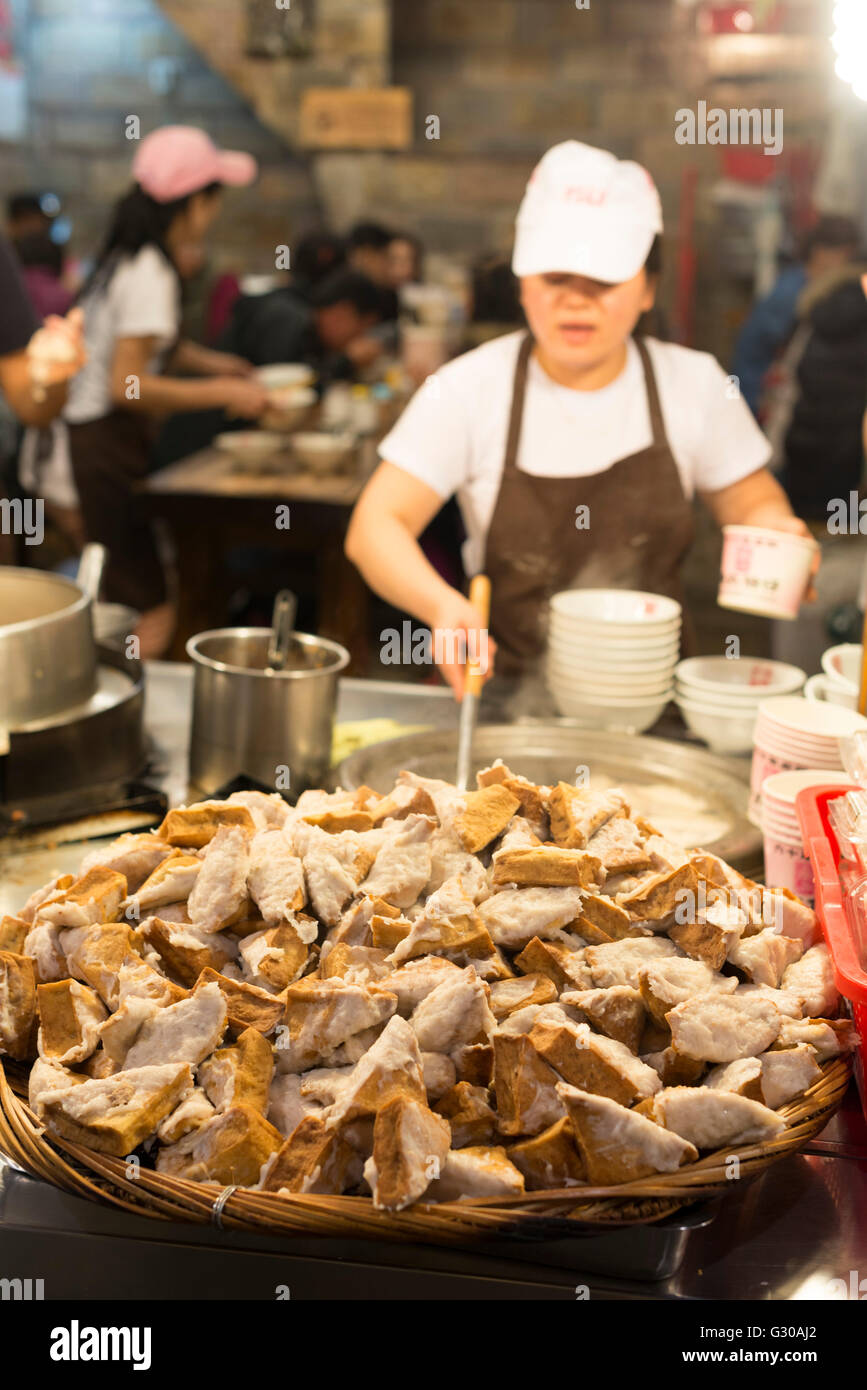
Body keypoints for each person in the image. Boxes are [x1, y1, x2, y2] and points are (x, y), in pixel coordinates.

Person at [346, 140, 815, 696]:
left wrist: (777, 532)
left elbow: (750, 503)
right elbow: (375, 526)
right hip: (509, 704)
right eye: (554, 278)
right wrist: (442, 606)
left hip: (655, 710)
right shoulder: (467, 389)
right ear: (522, 282)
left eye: (604, 282)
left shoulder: (695, 384)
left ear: (648, 288)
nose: (576, 301)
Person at [63, 126, 268, 657]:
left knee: (127, 591)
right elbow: (128, 385)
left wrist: (215, 365)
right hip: (101, 449)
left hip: (90, 445)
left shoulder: (127, 257)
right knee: (151, 608)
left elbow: (157, 348)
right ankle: (121, 711)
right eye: (214, 197)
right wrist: (223, 392)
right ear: (196, 203)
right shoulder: (151, 271)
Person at [732, 216, 859, 418]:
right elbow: (756, 350)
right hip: (754, 395)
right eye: (843, 255)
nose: (844, 265)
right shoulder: (792, 292)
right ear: (820, 251)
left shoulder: (809, 287)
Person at [221, 267, 387, 375]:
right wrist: (346, 361)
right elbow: (286, 386)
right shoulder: (286, 320)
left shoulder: (306, 321)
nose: (360, 338)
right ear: (342, 312)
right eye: (362, 329)